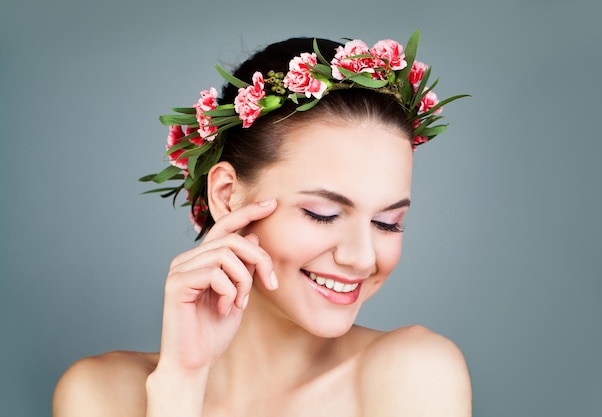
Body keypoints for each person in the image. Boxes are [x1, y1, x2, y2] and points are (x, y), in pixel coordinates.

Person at [52, 31, 472, 417]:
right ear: (225, 195)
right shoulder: (100, 394)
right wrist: (181, 386)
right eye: (322, 214)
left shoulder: (414, 374)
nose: (361, 258)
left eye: (388, 222)